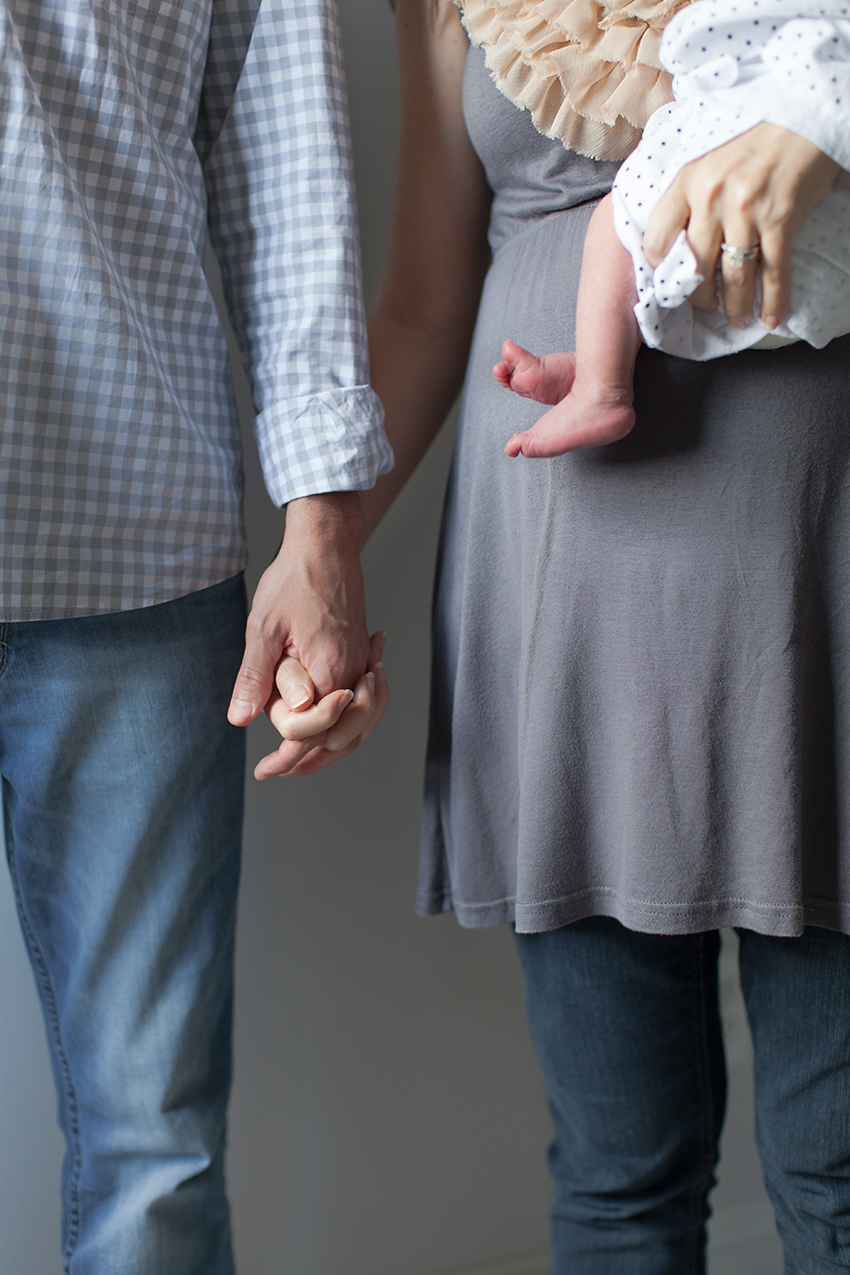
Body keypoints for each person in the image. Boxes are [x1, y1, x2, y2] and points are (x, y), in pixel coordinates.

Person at [363, 0, 850, 1270]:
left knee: (839, 1178)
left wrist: (824, 119)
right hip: (557, 599)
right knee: (617, 1179)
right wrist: (320, 545)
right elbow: (421, 305)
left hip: (825, 580)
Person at [0, 0, 392, 1270]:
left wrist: (322, 525)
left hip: (127, 541)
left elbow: (285, 169)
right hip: (130, 542)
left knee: (152, 1142)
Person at [495, 0, 850, 457]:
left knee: (620, 221)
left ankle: (600, 387)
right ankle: (606, 360)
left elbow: (701, 46)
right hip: (817, 292)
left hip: (792, 201)